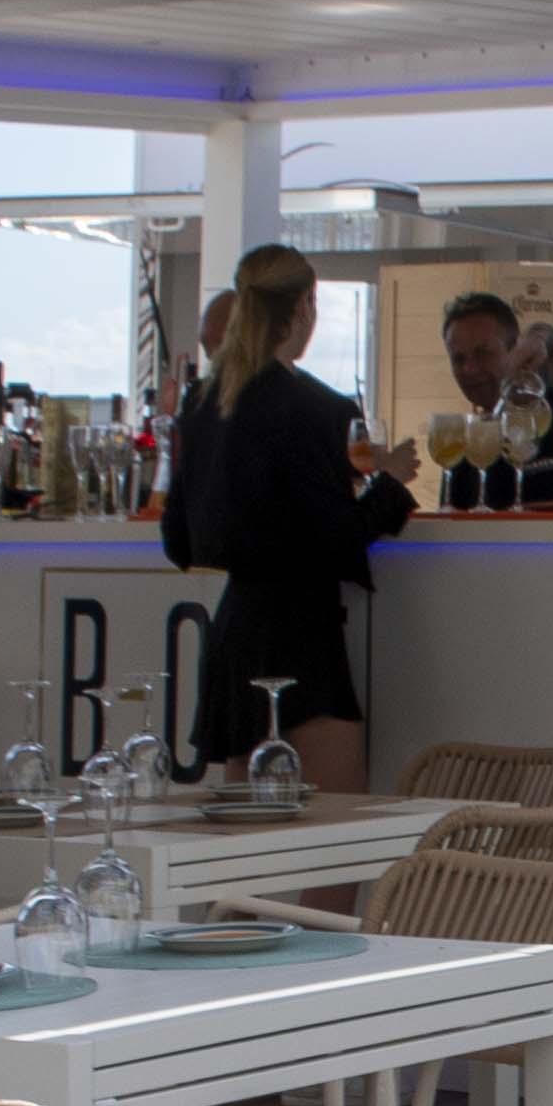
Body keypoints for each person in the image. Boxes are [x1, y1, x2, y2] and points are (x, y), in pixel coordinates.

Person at [164, 244, 408, 793]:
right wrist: (390, 482)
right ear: (304, 308)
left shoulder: (203, 402)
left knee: (244, 846)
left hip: (234, 634)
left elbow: (178, 540)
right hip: (301, 636)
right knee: (340, 840)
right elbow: (338, 541)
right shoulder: (316, 408)